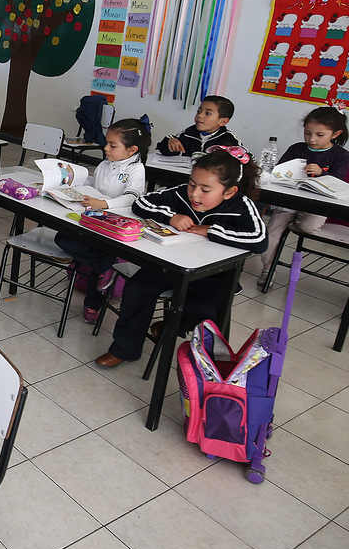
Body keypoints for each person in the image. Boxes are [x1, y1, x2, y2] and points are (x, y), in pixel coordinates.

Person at [95, 148, 267, 368]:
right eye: (192, 184)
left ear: (229, 192)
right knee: (136, 290)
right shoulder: (181, 194)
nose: (195, 194)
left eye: (206, 189)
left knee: (205, 312)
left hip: (213, 277)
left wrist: (211, 230)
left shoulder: (241, 206)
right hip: (170, 267)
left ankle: (170, 327)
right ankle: (124, 349)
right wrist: (171, 216)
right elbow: (141, 203)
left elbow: (259, 239)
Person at [53, 118, 151, 323]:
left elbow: (132, 197)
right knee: (63, 238)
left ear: (132, 150)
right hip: (94, 218)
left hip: (116, 223)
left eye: (112, 145)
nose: (105, 147)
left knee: (102, 254)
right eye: (107, 142)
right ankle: (105, 265)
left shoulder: (136, 169)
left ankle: (93, 304)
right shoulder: (107, 163)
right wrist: (72, 186)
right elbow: (95, 185)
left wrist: (105, 204)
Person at [258, 106, 349, 288]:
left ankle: (299, 218)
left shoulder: (341, 155)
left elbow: (338, 181)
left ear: (336, 133)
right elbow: (279, 171)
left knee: (308, 227)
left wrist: (322, 173)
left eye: (320, 135)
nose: (312, 139)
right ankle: (268, 268)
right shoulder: (297, 149)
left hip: (317, 203)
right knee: (270, 235)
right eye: (308, 133)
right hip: (289, 200)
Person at [155, 95, 243, 156]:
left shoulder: (230, 140)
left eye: (207, 113)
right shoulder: (188, 134)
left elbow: (246, 159)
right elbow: (163, 150)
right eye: (199, 111)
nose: (200, 115)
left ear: (223, 121)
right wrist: (170, 141)